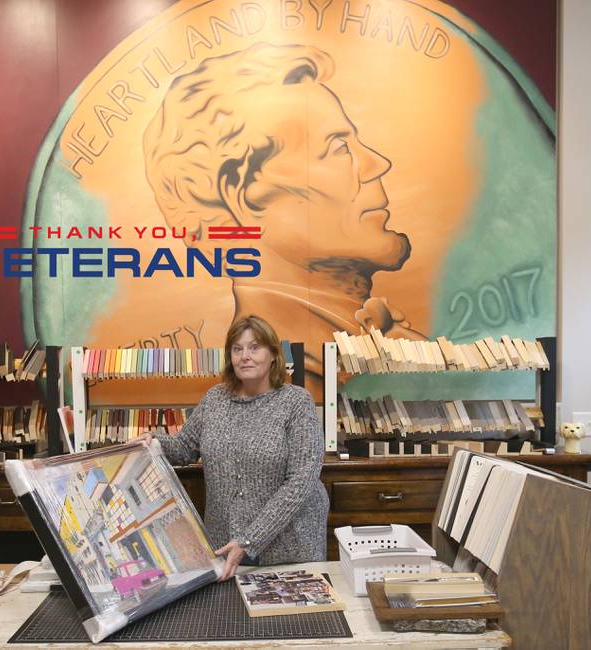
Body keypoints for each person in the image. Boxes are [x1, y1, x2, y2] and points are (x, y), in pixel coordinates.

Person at [143, 43, 424, 393]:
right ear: (238, 193)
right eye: (339, 147)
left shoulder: (360, 355)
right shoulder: (303, 384)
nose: (376, 163)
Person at [145, 315, 329, 580]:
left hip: (288, 545)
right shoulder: (215, 399)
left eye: (255, 348)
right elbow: (184, 448)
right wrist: (153, 441)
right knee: (229, 617)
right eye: (237, 349)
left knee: (287, 619)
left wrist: (250, 539)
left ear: (274, 355)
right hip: (227, 542)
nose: (245, 356)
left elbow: (301, 481)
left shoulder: (296, 402)